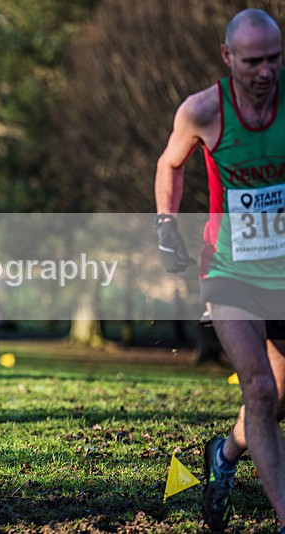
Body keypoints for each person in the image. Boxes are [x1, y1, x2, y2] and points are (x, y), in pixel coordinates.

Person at [154, 9, 285, 532]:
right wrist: (167, 224)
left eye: (275, 59)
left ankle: (225, 454)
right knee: (257, 387)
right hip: (229, 269)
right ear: (228, 58)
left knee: (277, 394)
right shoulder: (203, 111)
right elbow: (170, 163)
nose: (266, 72)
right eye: (253, 61)